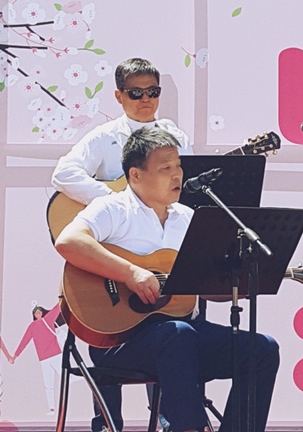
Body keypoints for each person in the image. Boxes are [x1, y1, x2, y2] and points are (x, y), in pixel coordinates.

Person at [54, 127, 279, 432]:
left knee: (262, 349)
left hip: (184, 334)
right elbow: (69, 242)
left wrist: (247, 281)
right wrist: (130, 273)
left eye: (178, 166)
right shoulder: (113, 208)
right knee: (178, 334)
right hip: (120, 339)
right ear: (135, 175)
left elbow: (205, 285)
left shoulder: (188, 217)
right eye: (165, 168)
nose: (177, 175)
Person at [52, 57, 192, 205]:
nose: (145, 98)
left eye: (153, 91)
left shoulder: (177, 137)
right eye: (136, 93)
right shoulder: (106, 135)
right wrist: (112, 199)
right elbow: (64, 173)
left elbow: (190, 185)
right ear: (119, 96)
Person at [9, 305, 63, 415]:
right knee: (48, 384)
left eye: (39, 312)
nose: (38, 314)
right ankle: (52, 409)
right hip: (43, 359)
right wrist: (15, 356)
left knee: (68, 378)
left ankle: (86, 377)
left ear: (42, 313)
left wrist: (64, 297)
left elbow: (57, 309)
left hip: (55, 355)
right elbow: (24, 341)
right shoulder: (32, 326)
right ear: (34, 315)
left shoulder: (48, 319)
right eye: (36, 313)